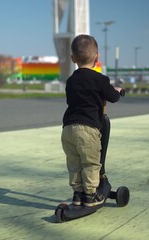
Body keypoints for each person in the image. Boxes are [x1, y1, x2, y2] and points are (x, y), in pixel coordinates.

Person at [61, 34, 122, 207]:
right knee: (91, 163)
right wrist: (117, 90)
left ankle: (77, 194)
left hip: (68, 129)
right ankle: (90, 195)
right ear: (97, 57)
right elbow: (112, 97)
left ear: (73, 58)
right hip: (88, 129)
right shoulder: (100, 79)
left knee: (74, 163)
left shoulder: (71, 81)